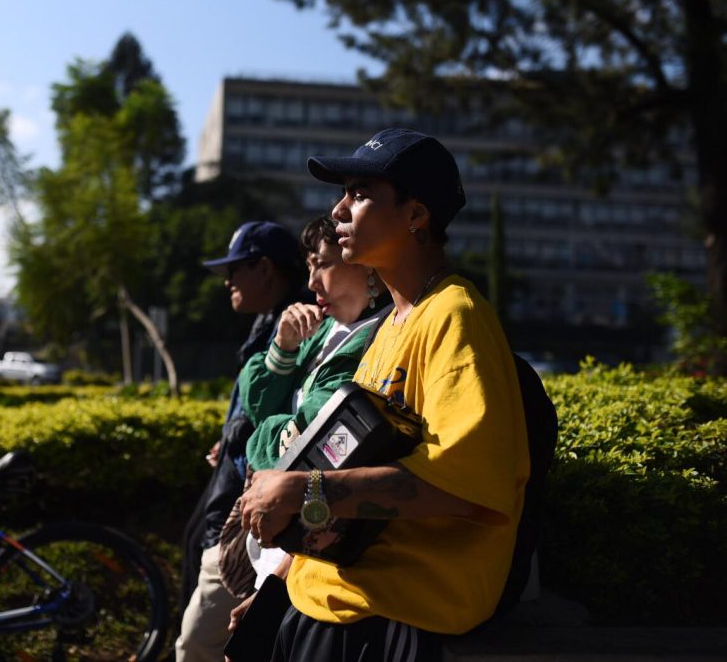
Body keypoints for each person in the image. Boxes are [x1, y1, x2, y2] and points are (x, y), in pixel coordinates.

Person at [238, 128, 530, 661]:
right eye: (343, 193)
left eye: (360, 193)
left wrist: (301, 489)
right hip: (326, 605)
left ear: (416, 216)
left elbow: (466, 486)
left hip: (385, 622)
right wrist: (278, 586)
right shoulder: (395, 324)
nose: (339, 209)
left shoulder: (454, 316)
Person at [232, 215, 390, 593]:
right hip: (279, 535)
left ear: (364, 262)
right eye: (308, 267)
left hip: (310, 548)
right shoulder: (321, 329)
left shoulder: (379, 337)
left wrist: (261, 440)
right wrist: (283, 347)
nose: (310, 282)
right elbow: (257, 406)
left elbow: (305, 441)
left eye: (321, 264)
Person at [175, 221, 306, 662]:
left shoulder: (296, 325)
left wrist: (240, 440)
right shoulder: (269, 322)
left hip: (248, 512)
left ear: (265, 269)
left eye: (235, 270)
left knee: (201, 642)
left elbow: (279, 416)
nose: (227, 281)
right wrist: (230, 437)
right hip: (235, 497)